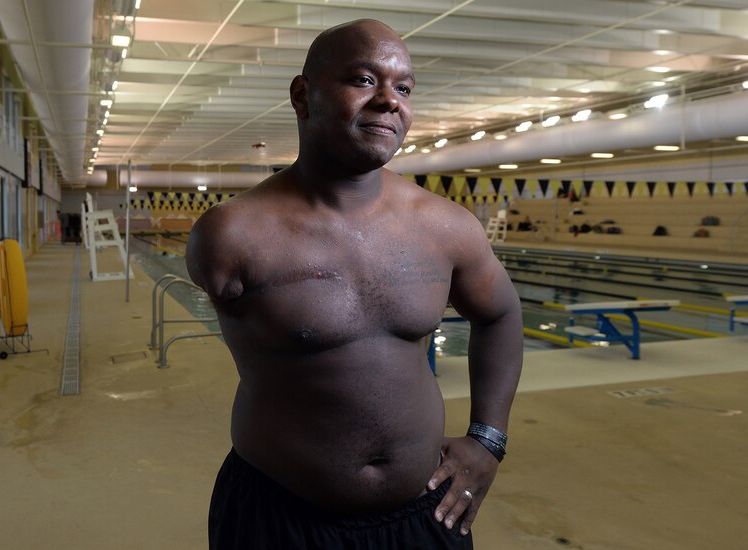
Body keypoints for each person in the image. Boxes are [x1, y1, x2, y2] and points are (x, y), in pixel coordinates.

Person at [186, 19, 523, 549]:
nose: (390, 100)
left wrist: (489, 438)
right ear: (303, 95)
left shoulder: (446, 227)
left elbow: (500, 315)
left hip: (424, 516)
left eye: (404, 88)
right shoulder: (233, 235)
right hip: (281, 518)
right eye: (364, 80)